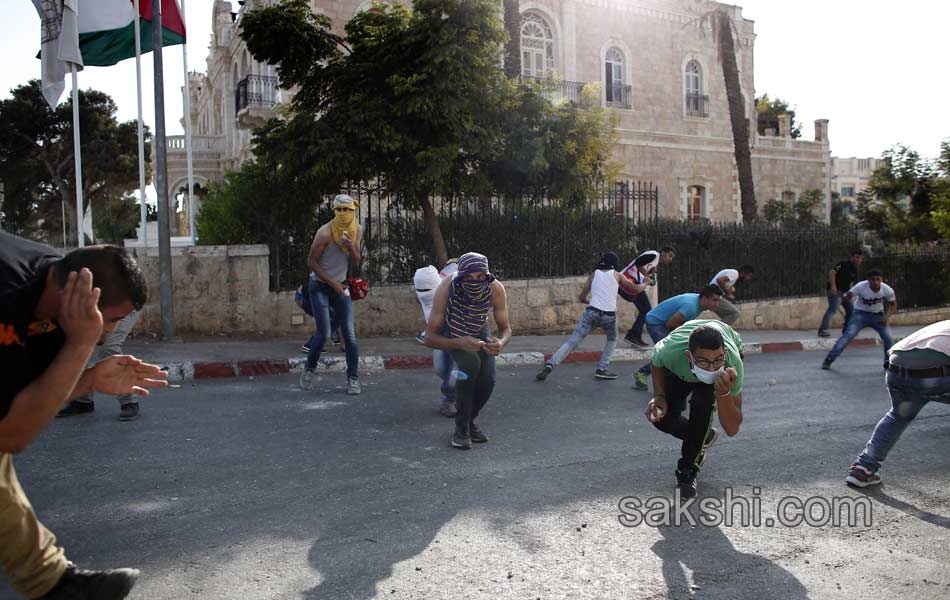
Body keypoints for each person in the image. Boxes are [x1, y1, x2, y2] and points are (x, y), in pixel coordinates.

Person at [0, 233, 168, 600]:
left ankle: (53, 582)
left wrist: (89, 379)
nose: (109, 333)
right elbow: (11, 434)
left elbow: (27, 400)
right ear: (78, 297)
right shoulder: (9, 301)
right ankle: (53, 583)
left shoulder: (58, 292)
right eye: (112, 320)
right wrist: (80, 344)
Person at [644, 320, 744, 499]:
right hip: (682, 369)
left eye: (718, 360)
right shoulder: (670, 353)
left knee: (702, 406)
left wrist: (724, 393)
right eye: (704, 362)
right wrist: (658, 395)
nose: (712, 368)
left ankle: (687, 471)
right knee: (660, 417)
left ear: (725, 355)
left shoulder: (732, 364)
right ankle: (705, 435)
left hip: (726, 343)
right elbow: (655, 360)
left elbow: (732, 428)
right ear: (689, 357)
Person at [845, 320, 950, 487]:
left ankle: (863, 468)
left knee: (897, 416)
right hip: (933, 376)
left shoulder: (943, 325)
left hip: (895, 371)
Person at [424, 253, 512, 450]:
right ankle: (461, 428)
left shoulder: (495, 288)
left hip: (479, 327)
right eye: (469, 277)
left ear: (487, 275)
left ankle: (469, 421)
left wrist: (500, 342)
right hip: (451, 328)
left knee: (488, 380)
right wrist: (459, 343)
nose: (475, 281)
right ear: (460, 276)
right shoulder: (446, 288)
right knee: (470, 365)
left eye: (480, 276)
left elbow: (506, 328)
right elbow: (429, 338)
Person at [536, 252, 646, 381]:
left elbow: (581, 297)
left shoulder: (594, 274)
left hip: (592, 312)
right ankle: (602, 369)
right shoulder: (618, 275)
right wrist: (646, 282)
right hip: (609, 316)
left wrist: (590, 302)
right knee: (612, 339)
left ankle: (550, 363)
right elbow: (636, 289)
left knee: (572, 341)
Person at [300, 194, 363, 394]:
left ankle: (353, 378)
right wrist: (333, 284)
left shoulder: (357, 230)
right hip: (320, 285)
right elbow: (311, 263)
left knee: (350, 334)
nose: (344, 214)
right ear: (334, 211)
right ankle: (309, 370)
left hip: (341, 285)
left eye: (348, 210)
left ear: (354, 210)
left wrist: (352, 247)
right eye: (339, 210)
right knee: (325, 332)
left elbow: (356, 262)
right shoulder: (324, 233)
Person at [632, 285, 723, 391]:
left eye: (718, 300)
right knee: (667, 352)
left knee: (677, 350)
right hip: (656, 323)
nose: (717, 304)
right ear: (704, 298)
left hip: (664, 323)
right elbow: (670, 324)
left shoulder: (699, 303)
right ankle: (642, 373)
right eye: (714, 300)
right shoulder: (691, 305)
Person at [55, 310, 142, 421]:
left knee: (109, 348)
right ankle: (83, 401)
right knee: (78, 347)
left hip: (121, 304)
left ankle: (129, 401)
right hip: (92, 306)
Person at [821, 269, 896, 370]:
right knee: (848, 336)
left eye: (878, 280)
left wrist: (886, 317)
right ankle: (829, 359)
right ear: (868, 280)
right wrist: (842, 298)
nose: (875, 282)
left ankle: (888, 362)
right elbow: (848, 296)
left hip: (878, 316)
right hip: (860, 315)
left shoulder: (887, 290)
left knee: (888, 338)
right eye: (873, 280)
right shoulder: (861, 286)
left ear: (881, 280)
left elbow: (893, 305)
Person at [414, 264, 457, 417]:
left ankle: (450, 399)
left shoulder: (452, 293)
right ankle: (455, 394)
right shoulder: (422, 293)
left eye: (428, 290)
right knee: (441, 369)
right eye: (421, 291)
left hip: (458, 334)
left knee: (455, 371)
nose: (424, 294)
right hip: (438, 335)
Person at [621, 246, 676, 348]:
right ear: (663, 253)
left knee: (645, 310)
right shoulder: (654, 255)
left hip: (634, 283)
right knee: (646, 311)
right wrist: (647, 276)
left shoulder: (655, 263)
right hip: (628, 280)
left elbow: (649, 278)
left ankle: (634, 336)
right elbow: (638, 263)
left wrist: (651, 278)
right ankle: (633, 336)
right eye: (669, 256)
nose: (670, 259)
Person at [818, 250, 864, 337]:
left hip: (845, 293)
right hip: (835, 291)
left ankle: (847, 330)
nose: (858, 260)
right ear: (852, 257)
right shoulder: (842, 264)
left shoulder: (855, 269)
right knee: (833, 309)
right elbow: (832, 272)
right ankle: (823, 330)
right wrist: (833, 286)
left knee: (851, 309)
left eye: (860, 258)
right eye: (857, 257)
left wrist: (851, 293)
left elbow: (852, 283)